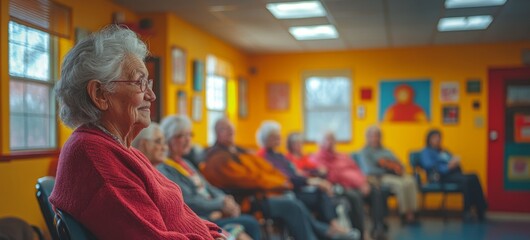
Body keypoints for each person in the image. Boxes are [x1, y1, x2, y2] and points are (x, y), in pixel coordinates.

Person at [49, 25, 225, 240]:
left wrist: (215, 233)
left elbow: (178, 215)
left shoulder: (121, 149)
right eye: (139, 82)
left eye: (147, 82)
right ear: (99, 94)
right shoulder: (94, 155)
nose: (151, 95)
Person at [202, 118, 358, 240]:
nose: (230, 132)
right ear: (216, 132)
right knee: (292, 204)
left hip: (270, 191)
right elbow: (247, 179)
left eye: (231, 128)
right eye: (224, 129)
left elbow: (270, 171)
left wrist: (281, 182)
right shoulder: (217, 158)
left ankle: (328, 232)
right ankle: (324, 233)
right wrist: (279, 183)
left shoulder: (241, 151)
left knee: (296, 202)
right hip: (249, 200)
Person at [153, 115, 261, 240]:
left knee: (250, 222)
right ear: (168, 139)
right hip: (201, 219)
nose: (187, 140)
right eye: (180, 136)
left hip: (215, 212)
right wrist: (219, 204)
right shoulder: (165, 168)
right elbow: (189, 202)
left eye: (189, 135)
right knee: (249, 223)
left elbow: (208, 187)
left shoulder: (186, 163)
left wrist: (226, 199)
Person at [255, 121, 357, 238]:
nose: (279, 138)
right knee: (300, 204)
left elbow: (296, 173)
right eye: (274, 136)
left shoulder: (279, 156)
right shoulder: (262, 157)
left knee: (320, 194)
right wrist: (312, 181)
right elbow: (286, 177)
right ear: (264, 138)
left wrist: (314, 177)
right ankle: (328, 232)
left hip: (294, 188)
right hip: (281, 193)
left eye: (278, 135)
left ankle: (332, 227)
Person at [313, 131, 388, 239]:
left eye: (332, 139)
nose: (330, 142)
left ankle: (378, 228)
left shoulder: (342, 156)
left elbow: (357, 170)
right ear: (320, 142)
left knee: (377, 192)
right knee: (354, 197)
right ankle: (362, 233)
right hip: (343, 187)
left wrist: (363, 183)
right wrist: (356, 184)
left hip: (358, 185)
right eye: (327, 139)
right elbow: (333, 176)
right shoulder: (319, 158)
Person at [420, 129, 487, 221]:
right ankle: (466, 211)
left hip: (452, 173)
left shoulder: (443, 151)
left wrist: (455, 162)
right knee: (465, 181)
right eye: (435, 138)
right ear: (429, 139)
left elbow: (451, 160)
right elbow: (429, 166)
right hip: (439, 176)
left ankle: (480, 208)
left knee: (473, 177)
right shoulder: (426, 152)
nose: (438, 140)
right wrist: (447, 167)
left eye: (439, 138)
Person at [359, 126, 419, 225]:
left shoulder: (386, 150)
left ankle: (413, 211)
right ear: (367, 138)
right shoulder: (364, 152)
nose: (375, 138)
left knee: (410, 181)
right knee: (400, 184)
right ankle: (405, 214)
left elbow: (399, 162)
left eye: (377, 136)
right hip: (380, 177)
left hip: (395, 174)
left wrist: (397, 167)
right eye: (372, 136)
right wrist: (386, 168)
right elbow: (368, 170)